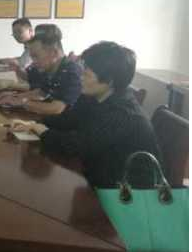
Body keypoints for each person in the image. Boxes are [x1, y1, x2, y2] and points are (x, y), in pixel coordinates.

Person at [10, 41, 161, 187]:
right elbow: (68, 119)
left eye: (86, 75)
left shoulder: (122, 114)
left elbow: (76, 146)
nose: (80, 77)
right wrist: (34, 124)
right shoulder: (95, 97)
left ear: (109, 81)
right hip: (101, 175)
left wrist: (41, 130)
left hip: (126, 192)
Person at [0, 24, 81, 115]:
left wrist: (23, 102)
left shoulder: (71, 72)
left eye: (36, 56)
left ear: (54, 52)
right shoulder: (50, 67)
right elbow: (41, 92)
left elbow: (56, 108)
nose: (33, 62)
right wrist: (15, 97)